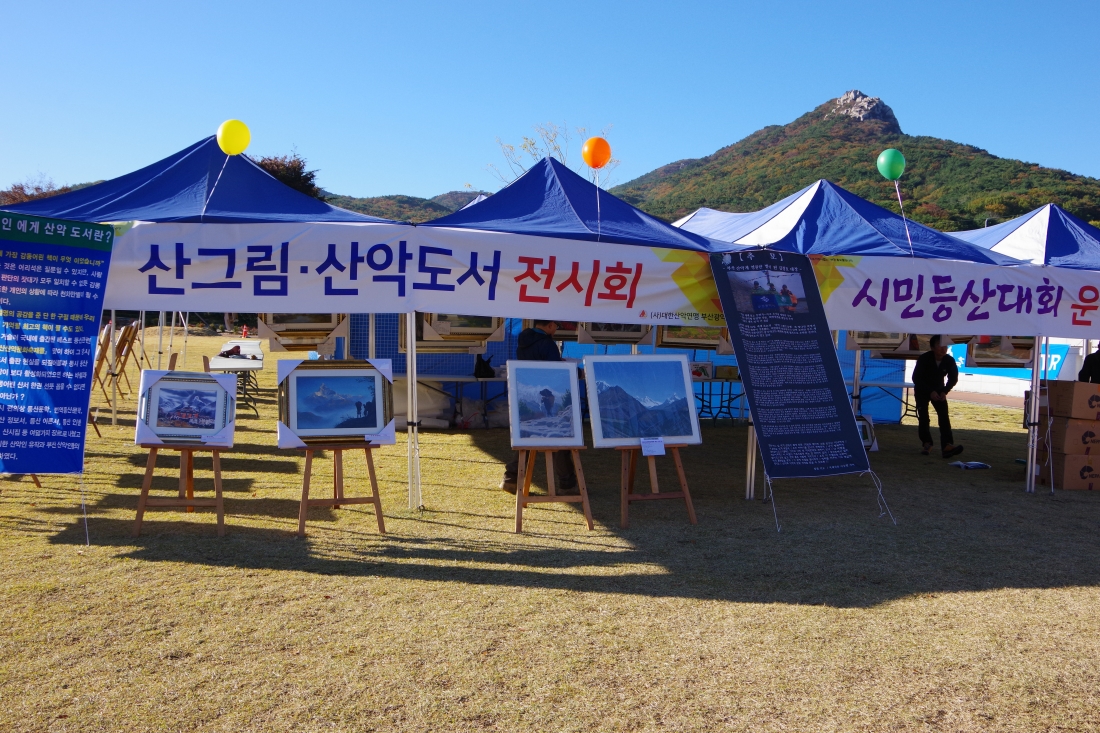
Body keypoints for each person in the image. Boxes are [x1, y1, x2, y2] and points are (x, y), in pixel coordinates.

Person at [500, 320, 578, 494]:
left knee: (527, 436)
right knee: (560, 437)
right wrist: (574, 371)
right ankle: (567, 484)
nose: (556, 330)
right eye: (556, 327)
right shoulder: (547, 343)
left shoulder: (523, 341)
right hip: (549, 393)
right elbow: (554, 372)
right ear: (550, 325)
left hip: (529, 392)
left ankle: (511, 478)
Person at [912, 334, 964, 458]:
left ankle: (947, 446)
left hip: (939, 390)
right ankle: (927, 443)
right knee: (924, 417)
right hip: (922, 391)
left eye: (945, 346)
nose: (943, 348)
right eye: (939, 346)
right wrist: (930, 391)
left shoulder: (949, 360)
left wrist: (944, 391)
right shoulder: (924, 358)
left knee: (944, 417)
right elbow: (916, 378)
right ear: (932, 347)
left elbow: (953, 379)